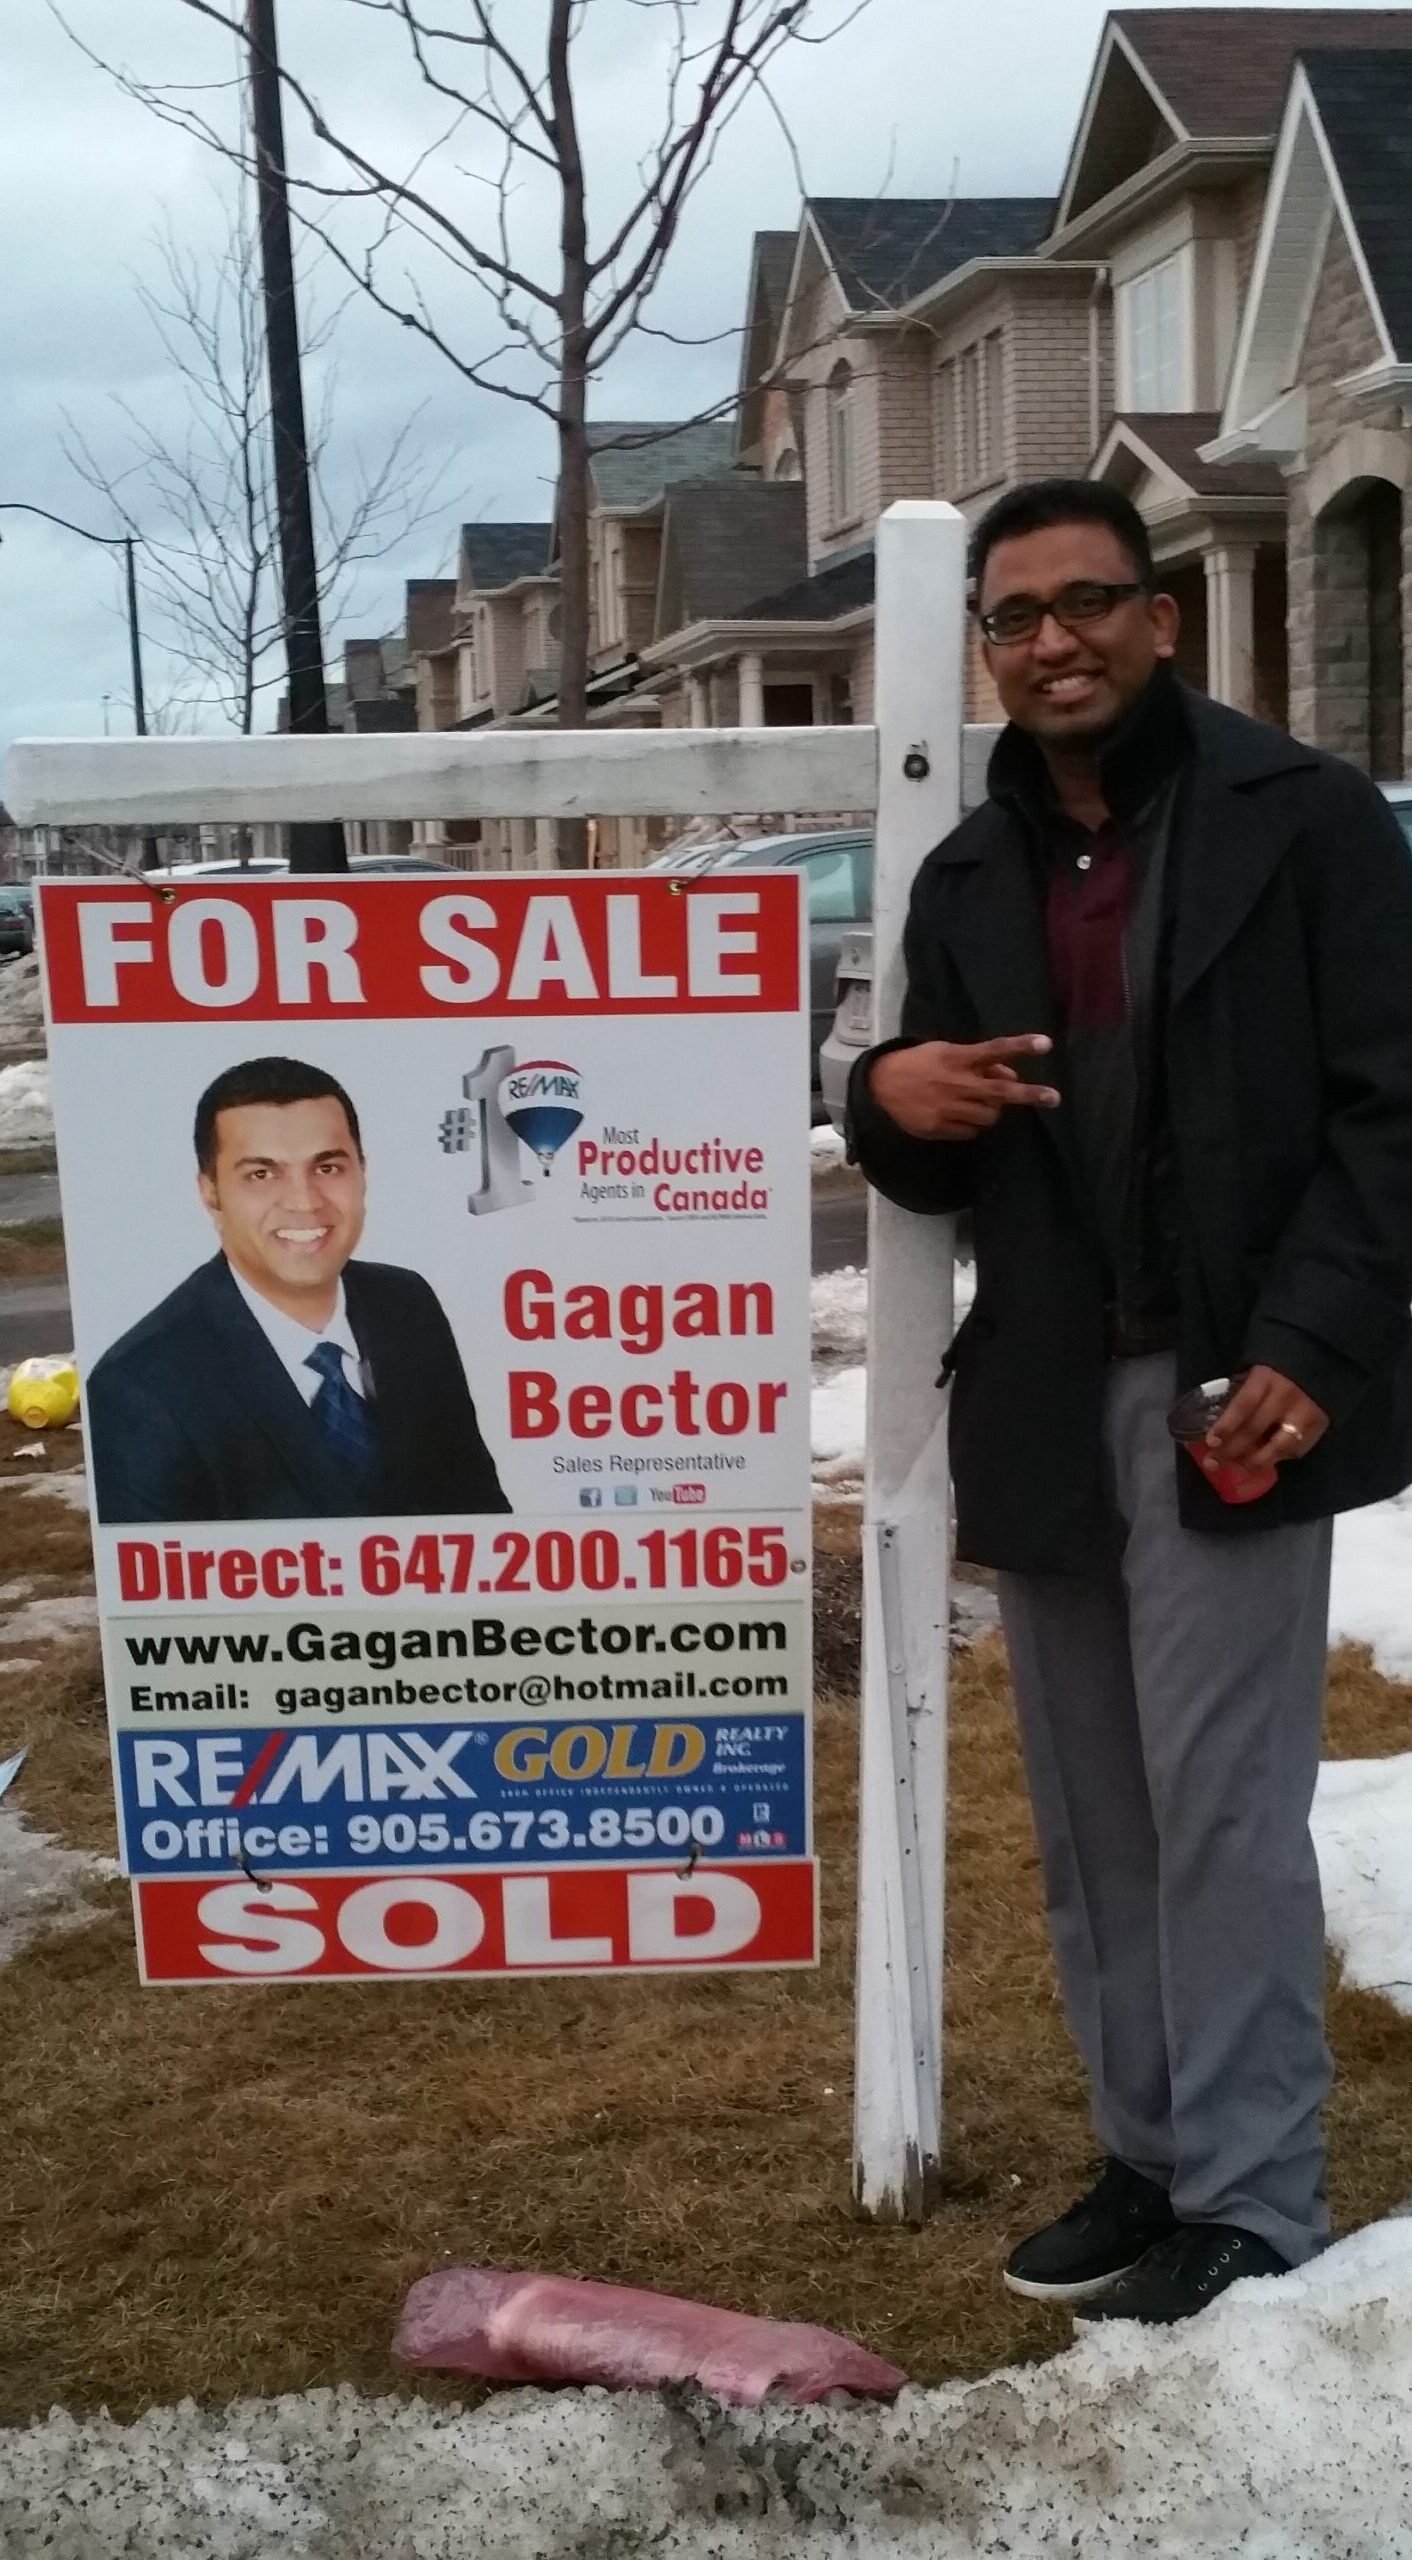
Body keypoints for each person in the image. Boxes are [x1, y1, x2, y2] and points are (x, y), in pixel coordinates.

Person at [849, 479, 1412, 2326]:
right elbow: (934, 1155)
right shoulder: (967, 876)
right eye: (1014, 618)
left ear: (1160, 619)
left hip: (1237, 1388)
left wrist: (1315, 1348)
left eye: (1085, 602)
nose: (1053, 642)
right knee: (1095, 1818)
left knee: (1219, 1810)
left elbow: (1392, 1113)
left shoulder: (1305, 820)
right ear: (987, 652)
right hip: (1042, 1397)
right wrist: (886, 1098)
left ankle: (1253, 2196)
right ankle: (1150, 2155)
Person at [87, 1055, 508, 1523]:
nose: (304, 1202)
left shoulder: (406, 1304)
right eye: (261, 1174)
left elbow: (481, 1512)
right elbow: (157, 1570)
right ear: (211, 1193)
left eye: (327, 1168)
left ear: (362, 1172)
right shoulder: (142, 1386)